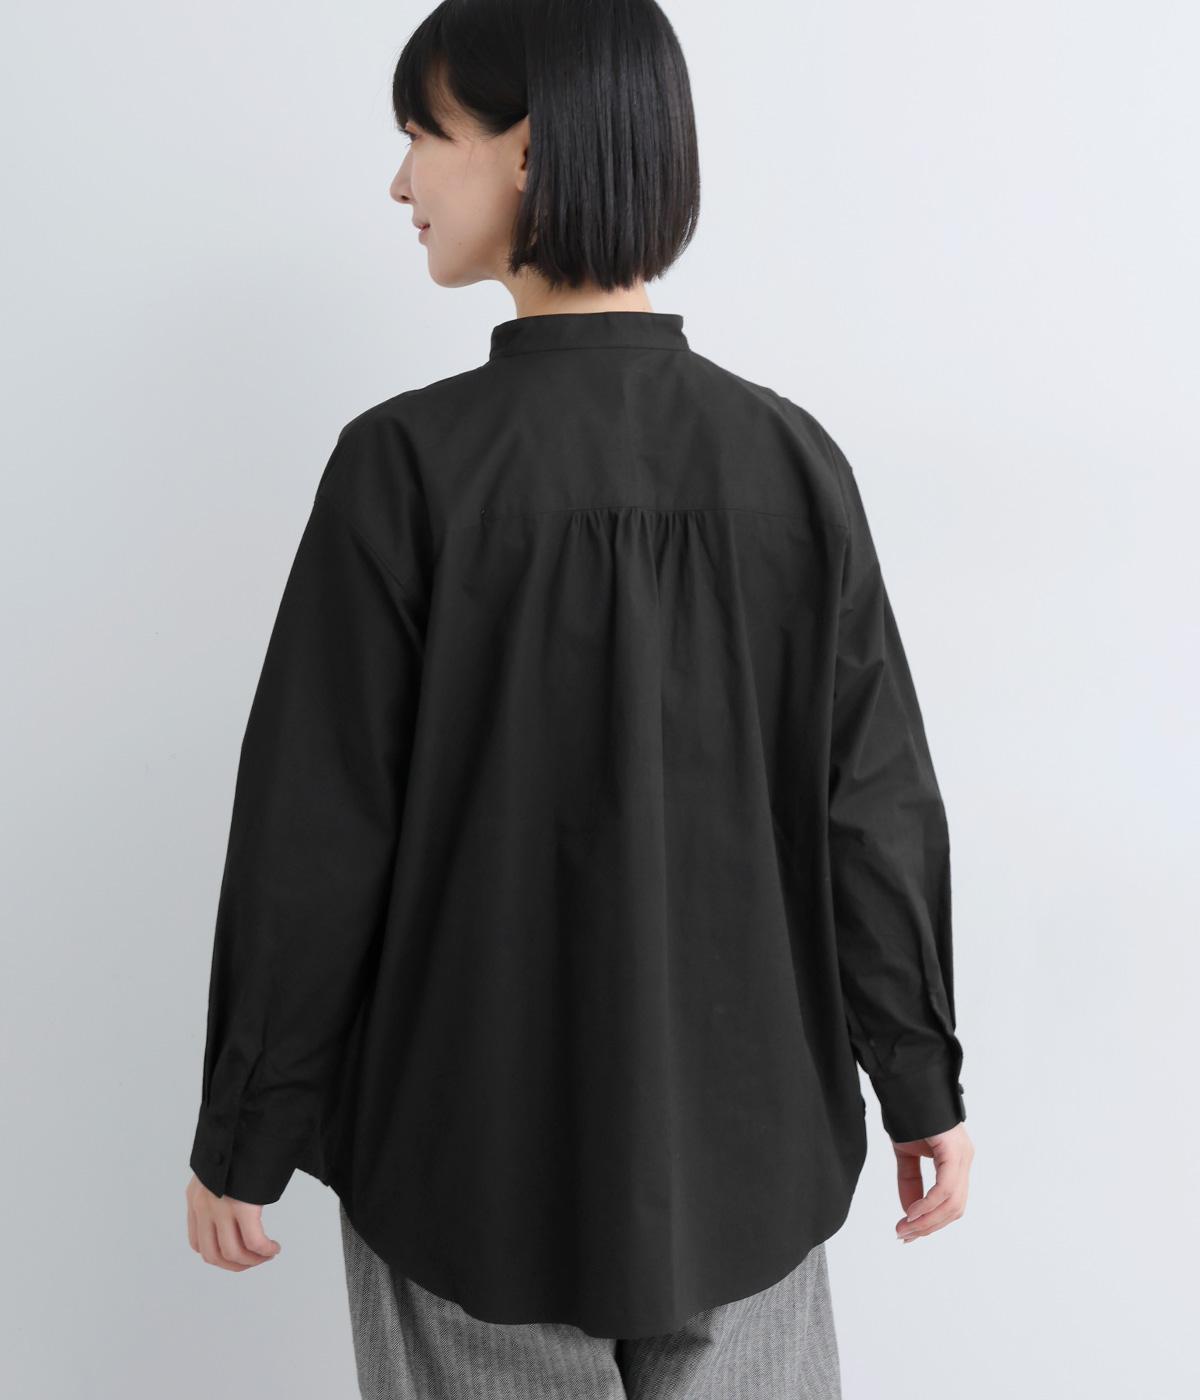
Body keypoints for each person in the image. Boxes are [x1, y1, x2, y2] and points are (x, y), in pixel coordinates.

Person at [184, 1, 975, 1395]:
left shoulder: (404, 471)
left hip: (462, 1168)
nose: (401, 182)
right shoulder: (791, 465)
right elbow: (874, 807)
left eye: (424, 134)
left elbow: (318, 834)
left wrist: (247, 1128)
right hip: (746, 1170)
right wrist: (918, 1079)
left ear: (529, 151)